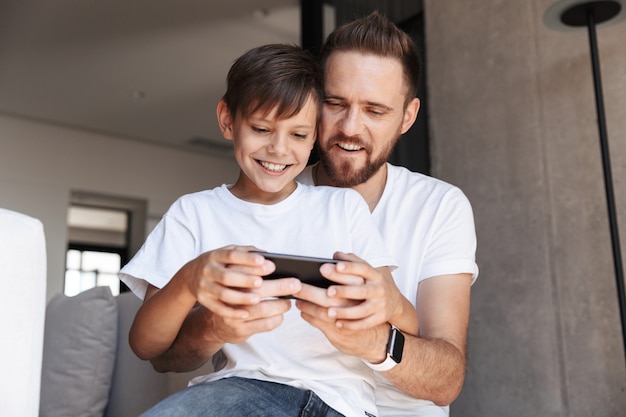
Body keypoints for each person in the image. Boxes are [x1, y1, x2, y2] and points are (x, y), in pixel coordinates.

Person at [120, 43, 419, 417]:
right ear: (228, 120)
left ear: (315, 136)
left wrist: (389, 303)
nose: (278, 149)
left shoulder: (342, 207)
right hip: (243, 393)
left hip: (342, 403)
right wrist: (190, 281)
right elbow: (145, 346)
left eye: (298, 135)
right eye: (262, 129)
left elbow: (408, 322)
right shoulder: (194, 213)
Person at [294, 12, 479, 416]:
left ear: (407, 117)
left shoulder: (439, 207)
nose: (350, 127)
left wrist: (379, 336)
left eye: (375, 111)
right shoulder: (271, 196)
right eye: (335, 103)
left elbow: (447, 381)